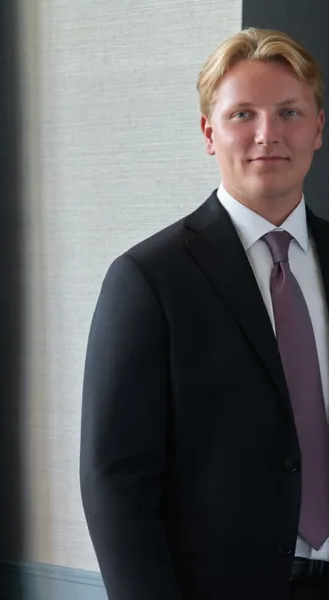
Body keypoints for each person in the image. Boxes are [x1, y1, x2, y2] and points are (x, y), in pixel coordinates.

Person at [79, 28, 329, 600]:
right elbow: (114, 480)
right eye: (243, 114)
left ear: (318, 127)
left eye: (289, 112)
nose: (268, 134)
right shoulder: (148, 278)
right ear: (209, 133)